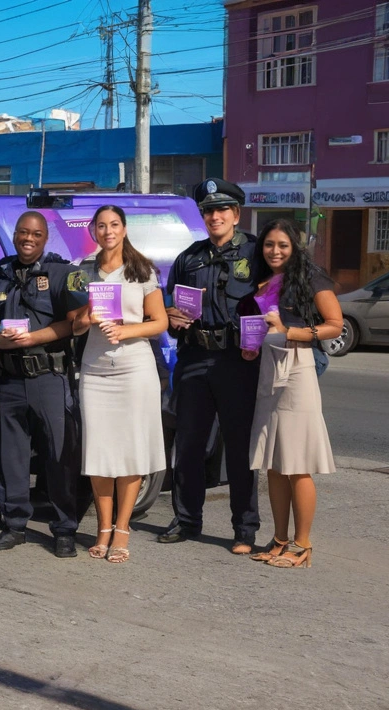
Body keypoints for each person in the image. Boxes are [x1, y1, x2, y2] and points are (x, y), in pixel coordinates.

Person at [0, 211, 85, 556]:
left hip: (48, 377)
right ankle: (14, 524)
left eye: (35, 233)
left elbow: (74, 323)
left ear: (45, 237)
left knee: (58, 455)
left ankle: (65, 528)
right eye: (22, 232)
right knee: (12, 456)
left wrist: (33, 338)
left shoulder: (63, 273)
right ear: (15, 234)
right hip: (8, 378)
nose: (28, 238)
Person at [160, 178, 262, 554]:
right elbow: (168, 303)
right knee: (188, 444)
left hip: (239, 361)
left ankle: (244, 528)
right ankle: (187, 519)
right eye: (208, 210)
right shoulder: (189, 257)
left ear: (236, 213)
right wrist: (171, 314)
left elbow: (275, 298)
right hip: (195, 359)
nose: (215, 216)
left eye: (222, 210)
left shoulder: (255, 253)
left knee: (238, 446)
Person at [71, 206, 168, 564]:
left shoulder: (142, 270)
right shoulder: (82, 269)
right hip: (95, 370)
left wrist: (127, 329)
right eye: (101, 225)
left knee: (130, 450)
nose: (108, 231)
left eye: (114, 225)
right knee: (99, 451)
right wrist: (86, 316)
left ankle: (122, 529)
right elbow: (75, 326)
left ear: (124, 229)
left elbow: (159, 322)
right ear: (93, 231)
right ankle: (103, 528)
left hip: (134, 369)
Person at [242, 219, 341, 569]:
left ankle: (303, 544)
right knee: (274, 463)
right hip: (268, 367)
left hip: (297, 368)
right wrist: (251, 346)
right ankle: (280, 539)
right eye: (269, 244)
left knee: (297, 463)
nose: (275, 251)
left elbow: (335, 324)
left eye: (282, 245)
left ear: (294, 246)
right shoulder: (260, 278)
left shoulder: (311, 277)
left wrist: (291, 332)